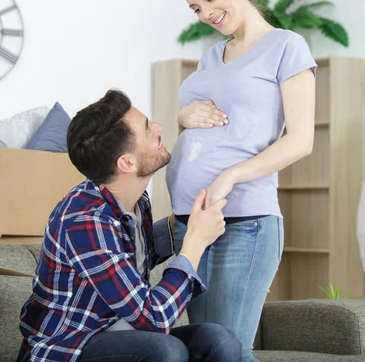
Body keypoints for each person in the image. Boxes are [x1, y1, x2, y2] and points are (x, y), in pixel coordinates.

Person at [16, 89, 242, 362]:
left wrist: (181, 225)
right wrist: (194, 242)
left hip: (120, 334)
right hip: (68, 349)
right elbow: (154, 319)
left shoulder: (134, 201)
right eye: (148, 130)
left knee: (218, 341)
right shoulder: (84, 221)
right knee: (166, 351)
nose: (159, 128)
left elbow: (130, 256)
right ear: (126, 162)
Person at [165, 0, 318, 360]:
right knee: (202, 348)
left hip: (244, 222)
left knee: (228, 349)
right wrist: (182, 117)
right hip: (192, 222)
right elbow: (196, 123)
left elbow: (301, 141)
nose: (205, 13)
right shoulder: (210, 58)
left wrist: (230, 176)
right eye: (195, 8)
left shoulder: (286, 46)